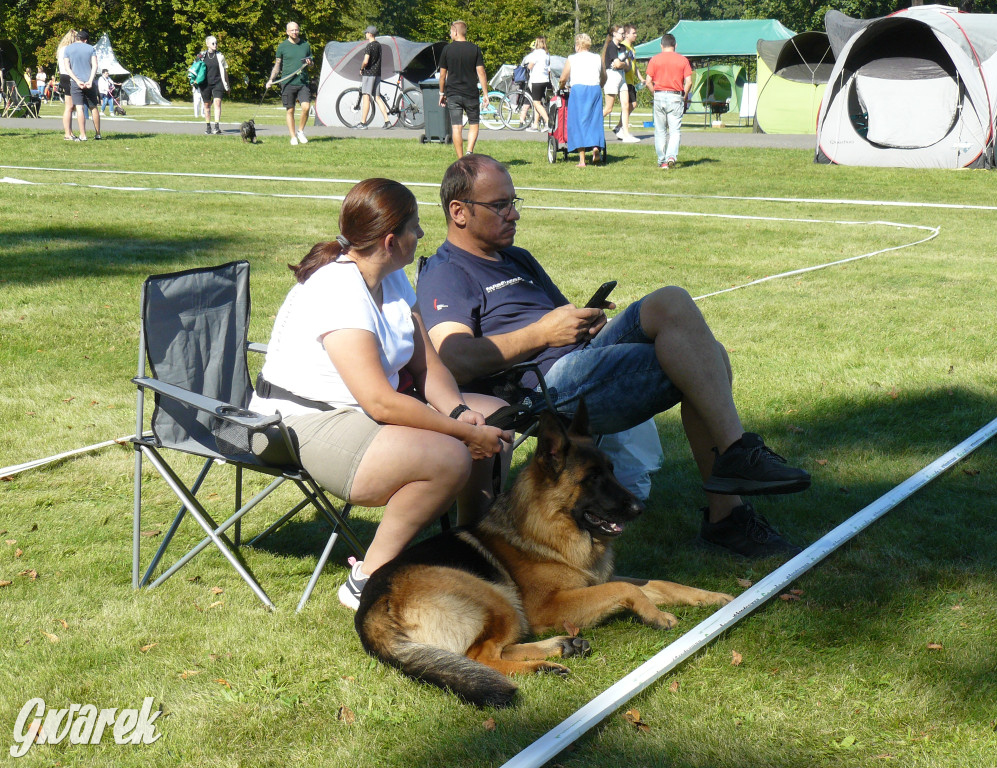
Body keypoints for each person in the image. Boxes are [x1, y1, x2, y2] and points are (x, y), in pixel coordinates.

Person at [416, 155, 812, 559]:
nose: (514, 214)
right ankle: (730, 503)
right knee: (705, 361)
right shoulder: (446, 273)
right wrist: (543, 332)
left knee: (671, 304)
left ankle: (736, 458)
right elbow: (454, 357)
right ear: (459, 212)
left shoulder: (517, 258)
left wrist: (582, 323)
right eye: (500, 205)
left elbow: (559, 318)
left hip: (579, 358)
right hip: (544, 388)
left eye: (514, 201)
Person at [248, 177, 511, 610]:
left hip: (360, 413)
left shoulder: (392, 278)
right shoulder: (338, 290)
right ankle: (366, 579)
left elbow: (426, 364)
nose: (422, 235)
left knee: (493, 416)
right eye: (416, 227)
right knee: (450, 456)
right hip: (298, 424)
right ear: (391, 240)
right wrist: (459, 433)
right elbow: (379, 402)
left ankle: (469, 553)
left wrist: (461, 410)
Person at [437, 20, 488, 159]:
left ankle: (460, 160)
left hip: (453, 93)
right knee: (474, 123)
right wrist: (485, 93)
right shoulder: (475, 49)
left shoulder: (447, 49)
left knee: (456, 127)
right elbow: (481, 72)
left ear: (455, 32)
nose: (449, 34)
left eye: (450, 32)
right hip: (471, 93)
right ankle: (469, 152)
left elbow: (442, 76)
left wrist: (442, 93)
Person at [557, 33, 606, 168]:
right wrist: (599, 86)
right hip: (595, 89)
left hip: (578, 90)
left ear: (578, 45)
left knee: (578, 123)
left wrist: (561, 86)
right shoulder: (597, 58)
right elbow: (604, 76)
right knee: (594, 121)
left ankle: (582, 160)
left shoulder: (572, 58)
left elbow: (563, 78)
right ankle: (596, 147)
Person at [645, 34, 692, 169]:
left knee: (660, 130)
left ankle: (662, 160)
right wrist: (684, 95)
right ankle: (671, 156)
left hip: (659, 94)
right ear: (675, 45)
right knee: (674, 130)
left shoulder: (654, 59)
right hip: (675, 95)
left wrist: (654, 92)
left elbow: (648, 81)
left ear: (661, 46)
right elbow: (689, 82)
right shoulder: (683, 60)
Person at [267, 21, 313, 145]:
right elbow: (277, 65)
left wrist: (310, 63)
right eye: (292, 30)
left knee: (306, 107)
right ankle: (293, 137)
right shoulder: (282, 46)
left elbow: (312, 65)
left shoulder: (305, 45)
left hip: (303, 82)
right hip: (287, 82)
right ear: (287, 32)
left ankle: (300, 131)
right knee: (290, 110)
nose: (294, 32)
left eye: (296, 30)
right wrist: (271, 79)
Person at [63, 31, 102, 141]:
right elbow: (95, 65)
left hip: (76, 82)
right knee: (93, 107)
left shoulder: (68, 49)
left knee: (79, 108)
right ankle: (98, 133)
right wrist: (90, 80)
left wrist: (76, 80)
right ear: (86, 40)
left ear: (77, 38)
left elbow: (67, 68)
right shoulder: (90, 48)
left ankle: (83, 135)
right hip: (89, 82)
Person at [601, 25, 637, 143]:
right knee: (608, 109)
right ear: (614, 34)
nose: (623, 35)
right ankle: (590, 124)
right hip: (611, 76)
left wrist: (621, 64)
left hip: (621, 76)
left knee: (626, 105)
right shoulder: (611, 47)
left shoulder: (622, 47)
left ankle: (626, 133)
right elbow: (616, 64)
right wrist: (621, 64)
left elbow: (626, 65)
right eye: (621, 33)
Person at [354, 25, 394, 130]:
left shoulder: (369, 46)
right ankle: (387, 121)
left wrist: (361, 68)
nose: (365, 34)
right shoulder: (378, 45)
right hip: (377, 73)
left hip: (368, 74)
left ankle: (363, 123)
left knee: (366, 96)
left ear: (370, 34)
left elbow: (366, 61)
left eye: (366, 33)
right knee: (377, 97)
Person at [615, 24, 641, 140]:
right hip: (624, 79)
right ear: (626, 35)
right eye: (633, 33)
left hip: (630, 80)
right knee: (628, 105)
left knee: (632, 105)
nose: (635, 35)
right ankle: (621, 128)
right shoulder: (623, 46)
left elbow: (635, 66)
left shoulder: (632, 48)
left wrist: (641, 78)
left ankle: (619, 127)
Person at [200, 36, 229, 135]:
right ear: (207, 44)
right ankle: (208, 127)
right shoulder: (202, 56)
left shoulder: (220, 56)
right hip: (205, 83)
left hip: (218, 82)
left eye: (216, 43)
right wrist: (194, 82)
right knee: (207, 105)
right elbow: (195, 69)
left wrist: (227, 85)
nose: (215, 45)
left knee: (217, 103)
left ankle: (216, 127)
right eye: (213, 43)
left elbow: (225, 71)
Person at [521, 37, 551, 132]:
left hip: (537, 80)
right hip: (545, 79)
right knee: (537, 102)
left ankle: (548, 122)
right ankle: (535, 124)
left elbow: (530, 66)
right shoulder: (547, 54)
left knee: (536, 103)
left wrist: (527, 67)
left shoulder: (535, 53)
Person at [56, 29, 77, 140]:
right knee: (69, 107)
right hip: (68, 76)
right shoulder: (68, 50)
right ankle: (67, 133)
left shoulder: (61, 49)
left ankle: (70, 131)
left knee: (70, 106)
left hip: (63, 76)